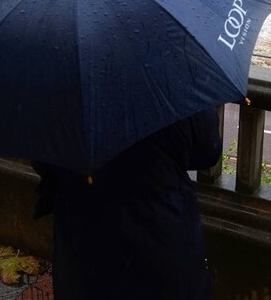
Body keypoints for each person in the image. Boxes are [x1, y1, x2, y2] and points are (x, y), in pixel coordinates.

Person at [33, 108, 222, 299]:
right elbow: (207, 151)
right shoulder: (173, 88)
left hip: (82, 245)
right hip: (162, 238)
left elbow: (42, 160)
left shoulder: (58, 96)